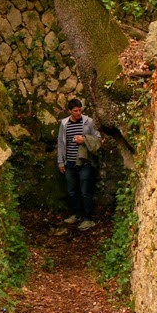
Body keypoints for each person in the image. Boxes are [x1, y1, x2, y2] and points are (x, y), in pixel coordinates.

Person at [57, 98, 102, 231]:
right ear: (69, 111)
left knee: (85, 191)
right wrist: (60, 162)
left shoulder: (88, 122)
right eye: (75, 111)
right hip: (69, 162)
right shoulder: (64, 124)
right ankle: (77, 215)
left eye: (80, 110)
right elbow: (60, 143)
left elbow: (98, 138)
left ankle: (88, 219)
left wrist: (84, 139)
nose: (78, 113)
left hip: (84, 162)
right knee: (72, 191)